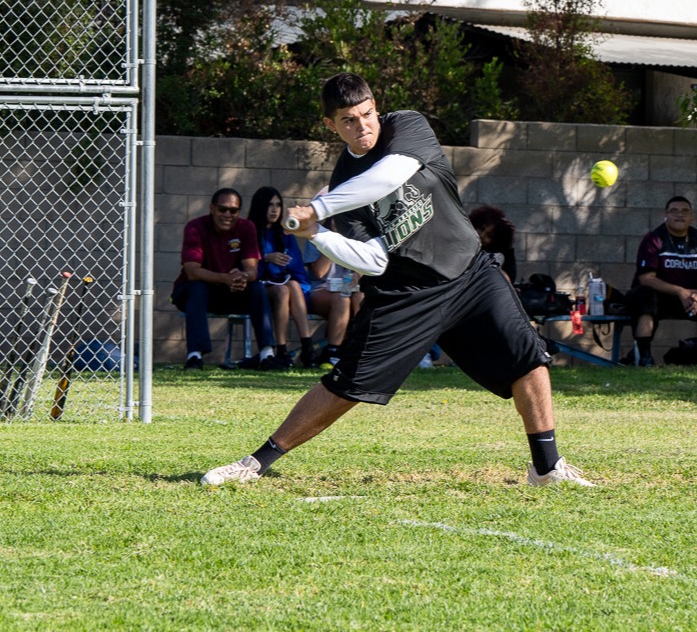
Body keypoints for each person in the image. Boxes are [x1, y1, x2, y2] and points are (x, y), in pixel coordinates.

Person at [200, 72, 592, 487]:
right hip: (405, 293)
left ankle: (547, 469)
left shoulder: (407, 126)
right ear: (330, 126)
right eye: (349, 120)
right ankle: (255, 463)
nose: (363, 125)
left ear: (376, 107)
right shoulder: (343, 187)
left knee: (528, 357)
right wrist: (317, 232)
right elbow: (372, 260)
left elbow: (388, 178)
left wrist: (319, 208)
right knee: (347, 384)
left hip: (469, 272)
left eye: (367, 114)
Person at [624, 195, 697, 367]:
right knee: (643, 295)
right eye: (674, 211)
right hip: (662, 297)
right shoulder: (654, 239)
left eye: (685, 211)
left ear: (691, 216)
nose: (680, 215)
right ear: (666, 215)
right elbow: (646, 278)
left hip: (694, 298)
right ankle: (644, 357)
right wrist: (680, 291)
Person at [171, 188, 277, 370]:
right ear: (212, 208)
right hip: (199, 294)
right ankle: (194, 356)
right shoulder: (195, 227)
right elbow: (192, 271)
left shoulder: (247, 228)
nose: (227, 214)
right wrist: (225, 278)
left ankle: (267, 354)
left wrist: (242, 277)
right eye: (222, 209)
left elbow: (252, 269)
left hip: (232, 291)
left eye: (233, 211)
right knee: (197, 287)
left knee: (257, 288)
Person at [247, 187, 313, 369]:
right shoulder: (249, 231)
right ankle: (281, 349)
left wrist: (304, 292)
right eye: (270, 205)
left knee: (293, 285)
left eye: (278, 205)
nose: (275, 210)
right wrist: (265, 259)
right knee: (284, 289)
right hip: (258, 289)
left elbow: (298, 269)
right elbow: (247, 267)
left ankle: (307, 346)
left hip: (284, 287)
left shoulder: (285, 234)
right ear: (260, 207)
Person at [469, 204, 517, 282]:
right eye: (481, 229)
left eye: (489, 236)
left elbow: (509, 278)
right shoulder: (463, 246)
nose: (482, 235)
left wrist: (508, 247)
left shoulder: (493, 258)